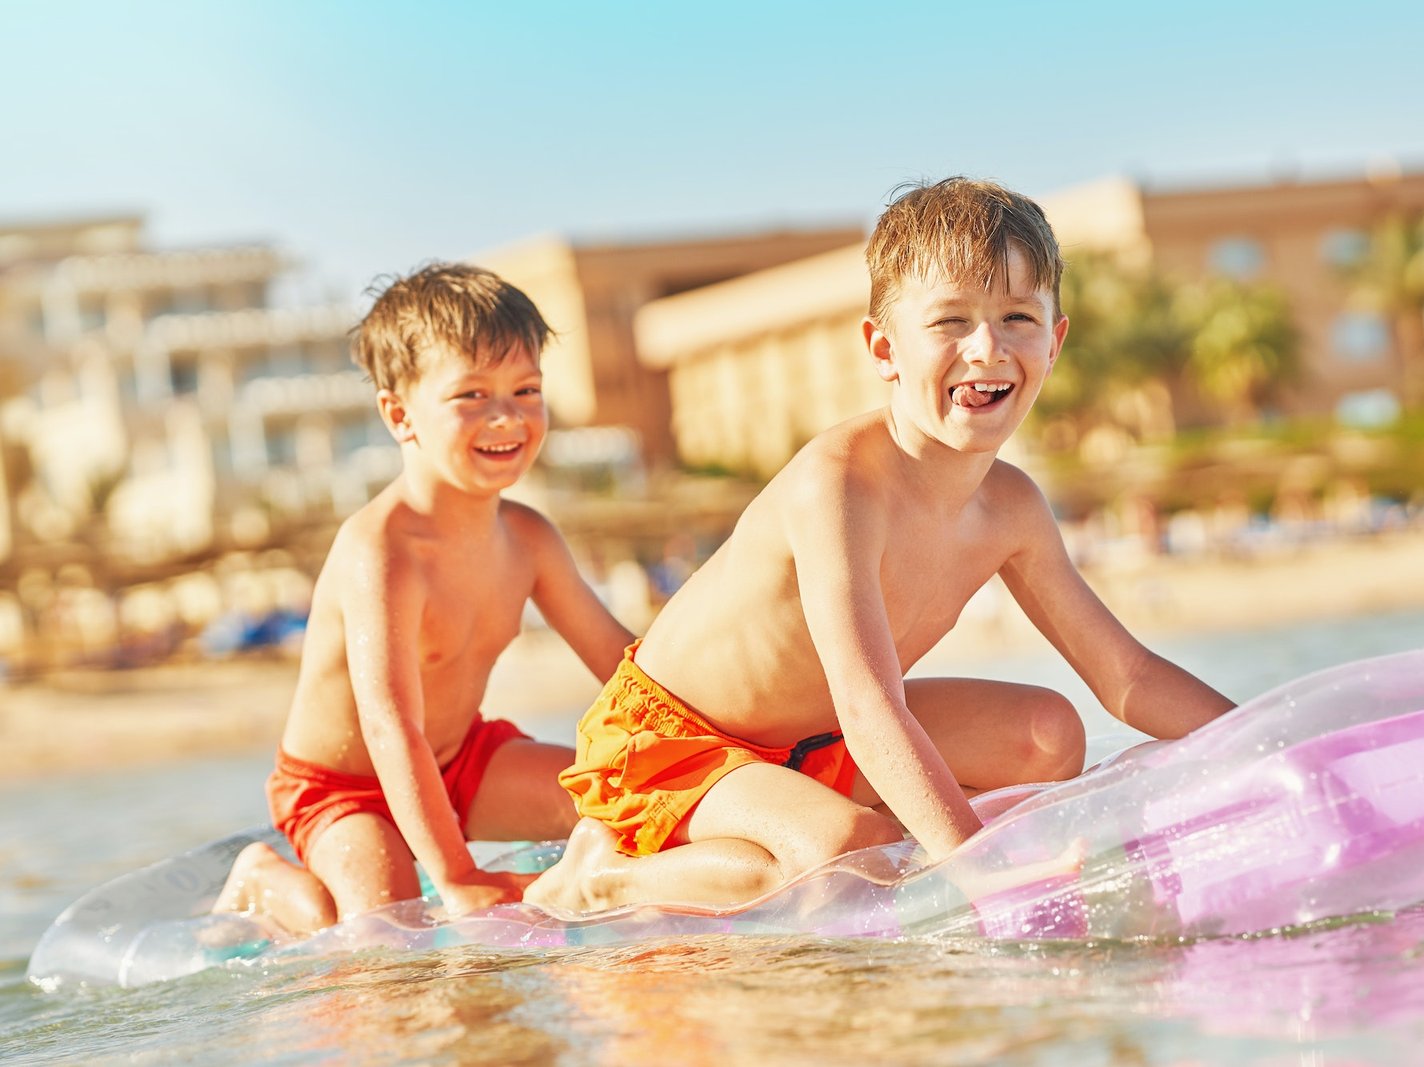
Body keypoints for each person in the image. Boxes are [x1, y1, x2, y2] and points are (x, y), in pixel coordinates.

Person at [524, 178, 1234, 915]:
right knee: (847, 852)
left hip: (815, 739)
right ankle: (602, 876)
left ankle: (852, 824)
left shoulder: (1011, 507)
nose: (986, 349)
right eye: (950, 322)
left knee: (1047, 733)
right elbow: (868, 704)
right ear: (884, 348)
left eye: (1017, 317)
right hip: (673, 743)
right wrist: (975, 867)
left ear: (1053, 342)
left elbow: (1126, 675)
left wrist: (1265, 738)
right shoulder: (840, 487)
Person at [213, 263, 634, 934]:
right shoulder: (380, 550)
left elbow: (626, 668)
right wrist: (458, 874)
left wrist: (732, 740)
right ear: (399, 414)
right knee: (386, 928)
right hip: (344, 788)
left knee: (630, 803)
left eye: (526, 388)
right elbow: (388, 724)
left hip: (461, 759)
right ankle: (261, 877)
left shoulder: (528, 538)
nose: (507, 415)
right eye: (472, 394)